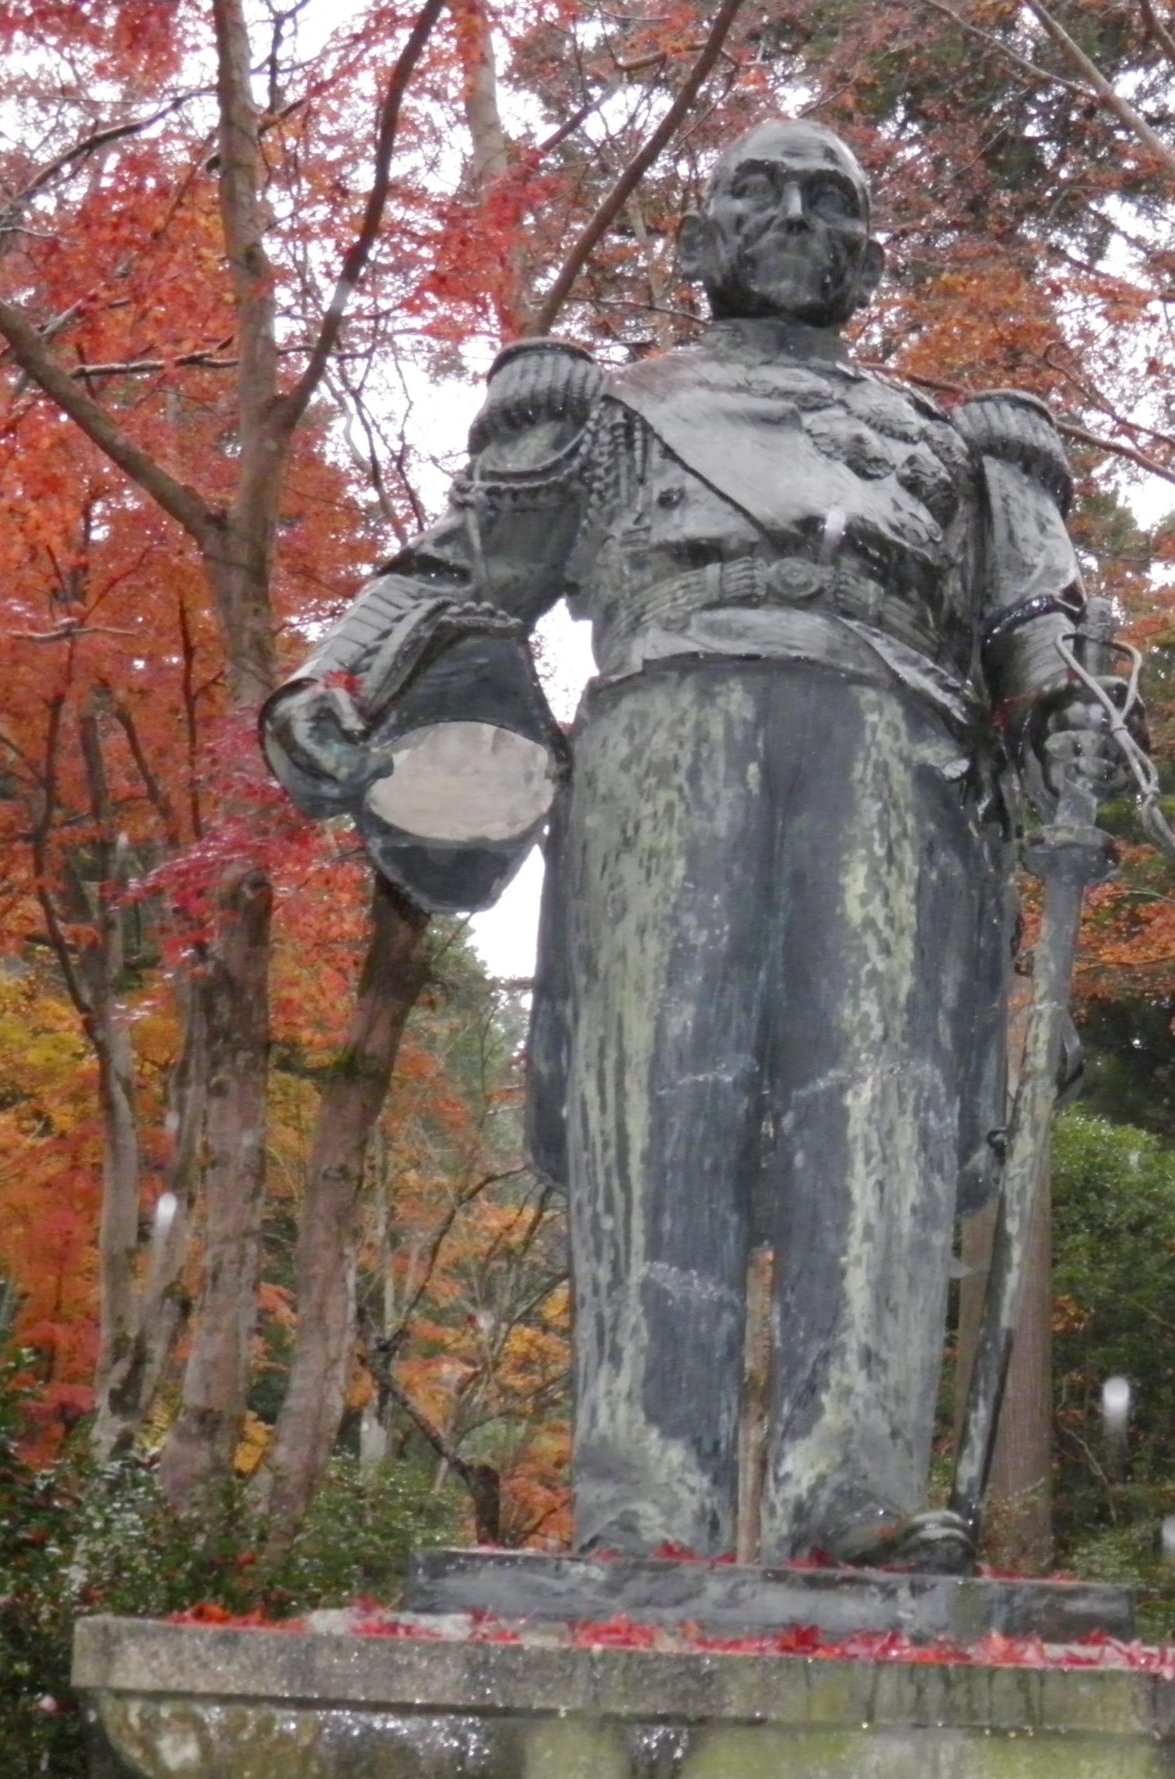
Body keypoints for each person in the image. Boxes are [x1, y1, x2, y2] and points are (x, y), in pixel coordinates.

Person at [262, 119, 1098, 1573]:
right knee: (662, 1106)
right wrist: (335, 680)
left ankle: (856, 1496)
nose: (794, 214)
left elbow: (1042, 639)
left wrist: (1066, 722)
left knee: (881, 1113)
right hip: (664, 737)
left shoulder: (953, 450)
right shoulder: (606, 415)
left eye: (830, 198)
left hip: (895, 755)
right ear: (699, 240)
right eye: (758, 191)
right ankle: (646, 1503)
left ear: (869, 254)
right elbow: (466, 573)